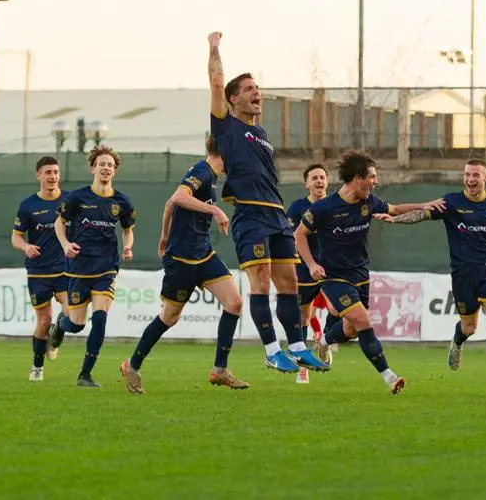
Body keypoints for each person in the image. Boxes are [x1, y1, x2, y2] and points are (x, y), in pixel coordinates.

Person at [207, 31, 327, 374]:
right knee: (259, 284)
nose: (255, 92)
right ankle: (272, 350)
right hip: (250, 216)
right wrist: (214, 49)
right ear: (231, 99)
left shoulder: (261, 133)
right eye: (247, 89)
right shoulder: (226, 126)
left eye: (256, 88)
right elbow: (216, 81)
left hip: (276, 216)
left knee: (289, 283)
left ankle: (299, 346)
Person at [296, 149, 443, 394]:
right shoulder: (325, 207)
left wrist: (424, 205)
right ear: (357, 178)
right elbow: (299, 234)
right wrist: (311, 264)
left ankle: (324, 341)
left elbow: (395, 209)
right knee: (364, 321)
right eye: (372, 177)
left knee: (352, 329)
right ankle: (390, 377)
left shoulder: (369, 202)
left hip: (361, 276)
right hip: (334, 278)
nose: (376, 182)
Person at [374, 158, 486, 392]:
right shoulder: (452, 202)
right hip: (463, 273)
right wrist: (395, 220)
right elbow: (422, 214)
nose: (470, 179)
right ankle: (457, 341)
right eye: (467, 174)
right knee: (469, 328)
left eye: (476, 175)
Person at [120, 136, 248, 394]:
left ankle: (219, 370)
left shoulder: (209, 177)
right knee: (169, 317)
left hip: (204, 254)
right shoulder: (202, 171)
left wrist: (164, 234)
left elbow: (170, 203)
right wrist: (215, 211)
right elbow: (179, 197)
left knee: (234, 302)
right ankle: (132, 365)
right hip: (182, 260)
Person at [47, 145, 135, 387]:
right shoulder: (78, 197)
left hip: (106, 267)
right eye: (102, 164)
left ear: (114, 171)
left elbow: (128, 230)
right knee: (76, 324)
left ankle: (85, 374)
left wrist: (128, 247)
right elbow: (59, 222)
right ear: (93, 168)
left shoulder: (122, 201)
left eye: (110, 165)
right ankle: (60, 326)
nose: (106, 168)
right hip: (79, 268)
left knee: (100, 318)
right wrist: (65, 244)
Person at [11, 156, 70, 381]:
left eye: (55, 172)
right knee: (44, 321)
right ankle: (37, 367)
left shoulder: (69, 201)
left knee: (70, 312)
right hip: (38, 272)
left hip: (65, 270)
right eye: (48, 172)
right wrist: (26, 247)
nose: (52, 176)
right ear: (39, 175)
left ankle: (57, 337)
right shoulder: (28, 205)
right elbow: (15, 237)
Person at [286, 162, 331, 384]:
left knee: (340, 309)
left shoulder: (338, 205)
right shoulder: (296, 208)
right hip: (305, 271)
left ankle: (324, 343)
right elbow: (290, 238)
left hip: (334, 268)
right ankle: (302, 365)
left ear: (327, 181)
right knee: (304, 317)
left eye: (322, 177)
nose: (319, 181)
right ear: (307, 184)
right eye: (314, 178)